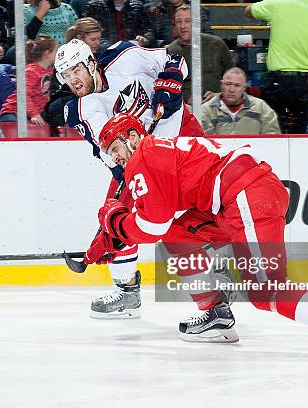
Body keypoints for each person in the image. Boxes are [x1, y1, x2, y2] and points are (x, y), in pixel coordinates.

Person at [91, 112, 308, 355]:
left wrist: (115, 223)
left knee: (265, 290)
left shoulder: (143, 156)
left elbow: (150, 225)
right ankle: (215, 314)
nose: (114, 158)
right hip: (235, 199)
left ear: (131, 137)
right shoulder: (156, 151)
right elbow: (157, 222)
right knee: (178, 237)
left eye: (114, 149)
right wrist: (112, 234)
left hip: (245, 195)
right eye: (109, 154)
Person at [55, 38, 206, 319]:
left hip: (183, 137)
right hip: (142, 160)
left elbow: (175, 62)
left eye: (76, 70)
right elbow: (114, 155)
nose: (73, 80)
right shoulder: (81, 110)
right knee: (115, 215)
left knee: (204, 211)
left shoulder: (125, 56)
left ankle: (219, 289)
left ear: (90, 63)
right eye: (66, 75)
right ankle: (127, 290)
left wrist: (170, 81)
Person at [245, 0, 308, 134]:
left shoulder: (277, 4)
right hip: (307, 83)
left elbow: (248, 11)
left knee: (273, 130)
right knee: (304, 132)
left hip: (279, 81)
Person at [42, 17, 103, 132]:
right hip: (69, 102)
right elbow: (58, 94)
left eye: (99, 39)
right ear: (80, 38)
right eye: (93, 39)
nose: (97, 43)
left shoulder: (101, 55)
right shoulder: (64, 59)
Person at [166, 4, 234, 105]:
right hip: (184, 109)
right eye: (179, 22)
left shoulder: (216, 44)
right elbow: (165, 90)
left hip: (218, 106)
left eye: (188, 21)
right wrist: (185, 99)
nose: (183, 26)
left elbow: (233, 78)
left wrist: (219, 95)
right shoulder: (169, 52)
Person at [201, 67, 281, 135]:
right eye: (228, 84)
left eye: (237, 85)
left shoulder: (261, 107)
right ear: (221, 84)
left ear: (244, 88)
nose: (231, 90)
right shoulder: (207, 109)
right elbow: (205, 143)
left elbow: (273, 139)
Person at [0, 36, 57, 126]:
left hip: (35, 111)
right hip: (14, 111)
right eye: (56, 52)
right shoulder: (30, 71)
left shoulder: (50, 71)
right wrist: (34, 114)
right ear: (47, 53)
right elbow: (23, 95)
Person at [80, 0, 148, 49]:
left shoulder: (137, 6)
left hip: (135, 51)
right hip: (103, 54)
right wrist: (114, 47)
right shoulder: (93, 7)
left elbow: (149, 30)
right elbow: (85, 33)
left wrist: (145, 38)